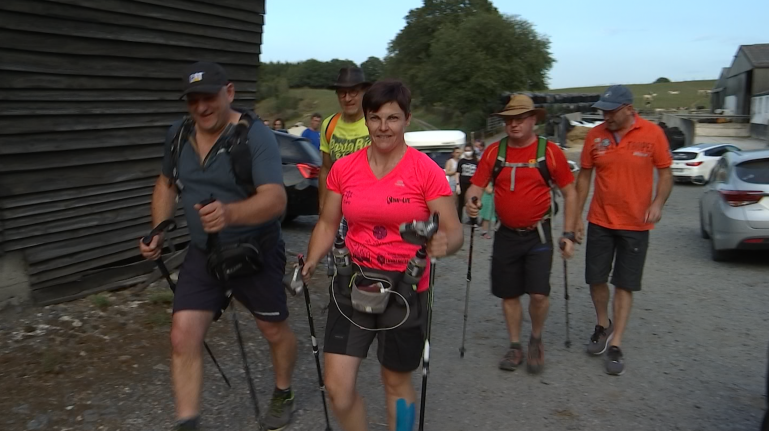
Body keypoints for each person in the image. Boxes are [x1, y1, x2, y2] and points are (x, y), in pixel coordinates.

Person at [138, 61, 298, 431]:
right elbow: (166, 184)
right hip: (202, 251)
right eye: (192, 99)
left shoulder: (254, 136)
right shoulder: (178, 134)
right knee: (182, 334)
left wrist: (230, 214)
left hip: (254, 248)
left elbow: (276, 199)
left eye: (208, 97)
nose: (201, 107)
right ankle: (187, 422)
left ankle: (283, 390)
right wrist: (159, 228)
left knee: (273, 330)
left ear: (229, 92)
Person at [301, 80, 463, 431]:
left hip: (405, 290)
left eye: (393, 118)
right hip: (353, 283)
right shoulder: (345, 169)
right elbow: (328, 223)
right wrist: (312, 259)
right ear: (366, 120)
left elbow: (454, 230)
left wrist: (443, 244)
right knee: (338, 388)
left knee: (395, 383)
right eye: (375, 118)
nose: (384, 127)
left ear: (407, 119)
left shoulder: (426, 172)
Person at [466, 94, 577, 374]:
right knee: (510, 294)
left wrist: (569, 233)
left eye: (519, 119)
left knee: (539, 294)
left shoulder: (549, 152)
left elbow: (570, 192)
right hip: (506, 235)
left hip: (538, 234)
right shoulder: (494, 152)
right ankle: (515, 345)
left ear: (532, 120)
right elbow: (476, 185)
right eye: (508, 120)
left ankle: (536, 339)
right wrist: (472, 199)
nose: (513, 124)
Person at [574, 85, 672, 376]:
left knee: (625, 283)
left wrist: (658, 201)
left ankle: (616, 343)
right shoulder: (595, 135)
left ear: (629, 108)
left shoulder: (653, 133)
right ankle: (603, 325)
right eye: (603, 111)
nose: (606, 116)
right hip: (600, 220)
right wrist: (576, 218)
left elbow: (666, 173)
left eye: (611, 111)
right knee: (595, 278)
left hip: (636, 223)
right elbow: (584, 178)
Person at [318, 67, 373, 213]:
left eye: (353, 91)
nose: (347, 98)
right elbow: (326, 169)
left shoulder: (376, 124)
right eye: (342, 93)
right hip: (338, 210)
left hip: (370, 208)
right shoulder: (329, 125)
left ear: (364, 92)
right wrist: (323, 206)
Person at [456, 144, 478, 222]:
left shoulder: (475, 161)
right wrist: (457, 185)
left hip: (472, 185)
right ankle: (459, 219)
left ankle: (473, 219)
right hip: (462, 184)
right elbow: (458, 173)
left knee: (472, 202)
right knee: (461, 203)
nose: (467, 152)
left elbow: (478, 174)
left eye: (469, 150)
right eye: (466, 150)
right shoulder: (461, 161)